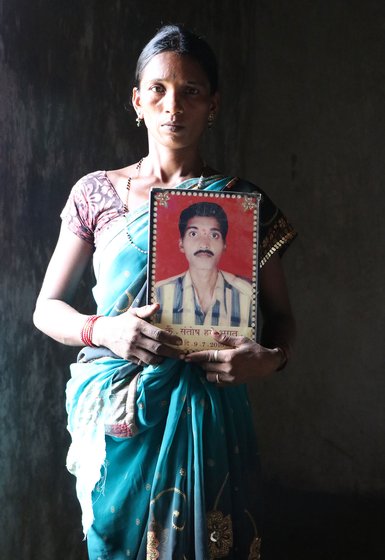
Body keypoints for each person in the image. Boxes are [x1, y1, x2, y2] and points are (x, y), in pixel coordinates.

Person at [33, 23, 296, 560]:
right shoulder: (96, 193)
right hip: (121, 410)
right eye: (158, 89)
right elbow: (45, 309)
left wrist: (268, 361)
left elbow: (280, 316)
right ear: (137, 100)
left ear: (213, 104)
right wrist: (103, 329)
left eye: (191, 91)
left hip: (211, 414)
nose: (173, 105)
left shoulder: (242, 205)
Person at [155, 201, 253, 327]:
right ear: (181, 244)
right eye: (193, 234)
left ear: (224, 245)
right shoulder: (159, 294)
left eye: (214, 235)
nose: (204, 244)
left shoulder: (247, 295)